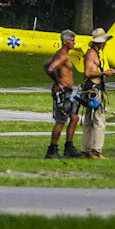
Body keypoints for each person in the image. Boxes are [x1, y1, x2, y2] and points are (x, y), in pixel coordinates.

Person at [43, 29, 81, 160]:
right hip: (63, 92)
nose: (74, 43)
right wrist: (58, 83)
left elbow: (46, 65)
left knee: (75, 118)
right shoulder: (62, 55)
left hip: (69, 92)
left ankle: (69, 147)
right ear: (65, 42)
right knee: (61, 121)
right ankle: (52, 150)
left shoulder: (62, 54)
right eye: (72, 40)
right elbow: (51, 68)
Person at [79, 29, 111, 159]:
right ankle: (96, 150)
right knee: (99, 121)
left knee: (88, 120)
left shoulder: (94, 53)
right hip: (93, 88)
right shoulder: (92, 54)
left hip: (92, 88)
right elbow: (87, 73)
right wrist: (104, 73)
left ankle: (86, 150)